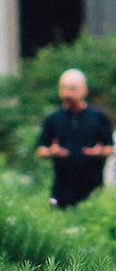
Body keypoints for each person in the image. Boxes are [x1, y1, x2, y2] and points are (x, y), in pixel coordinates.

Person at [37, 68, 115, 209]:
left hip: (93, 190)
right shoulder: (53, 119)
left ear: (84, 90)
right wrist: (52, 152)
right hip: (62, 191)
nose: (68, 94)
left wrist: (99, 152)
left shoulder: (99, 117)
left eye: (73, 89)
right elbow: (41, 150)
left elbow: (110, 148)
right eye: (65, 89)